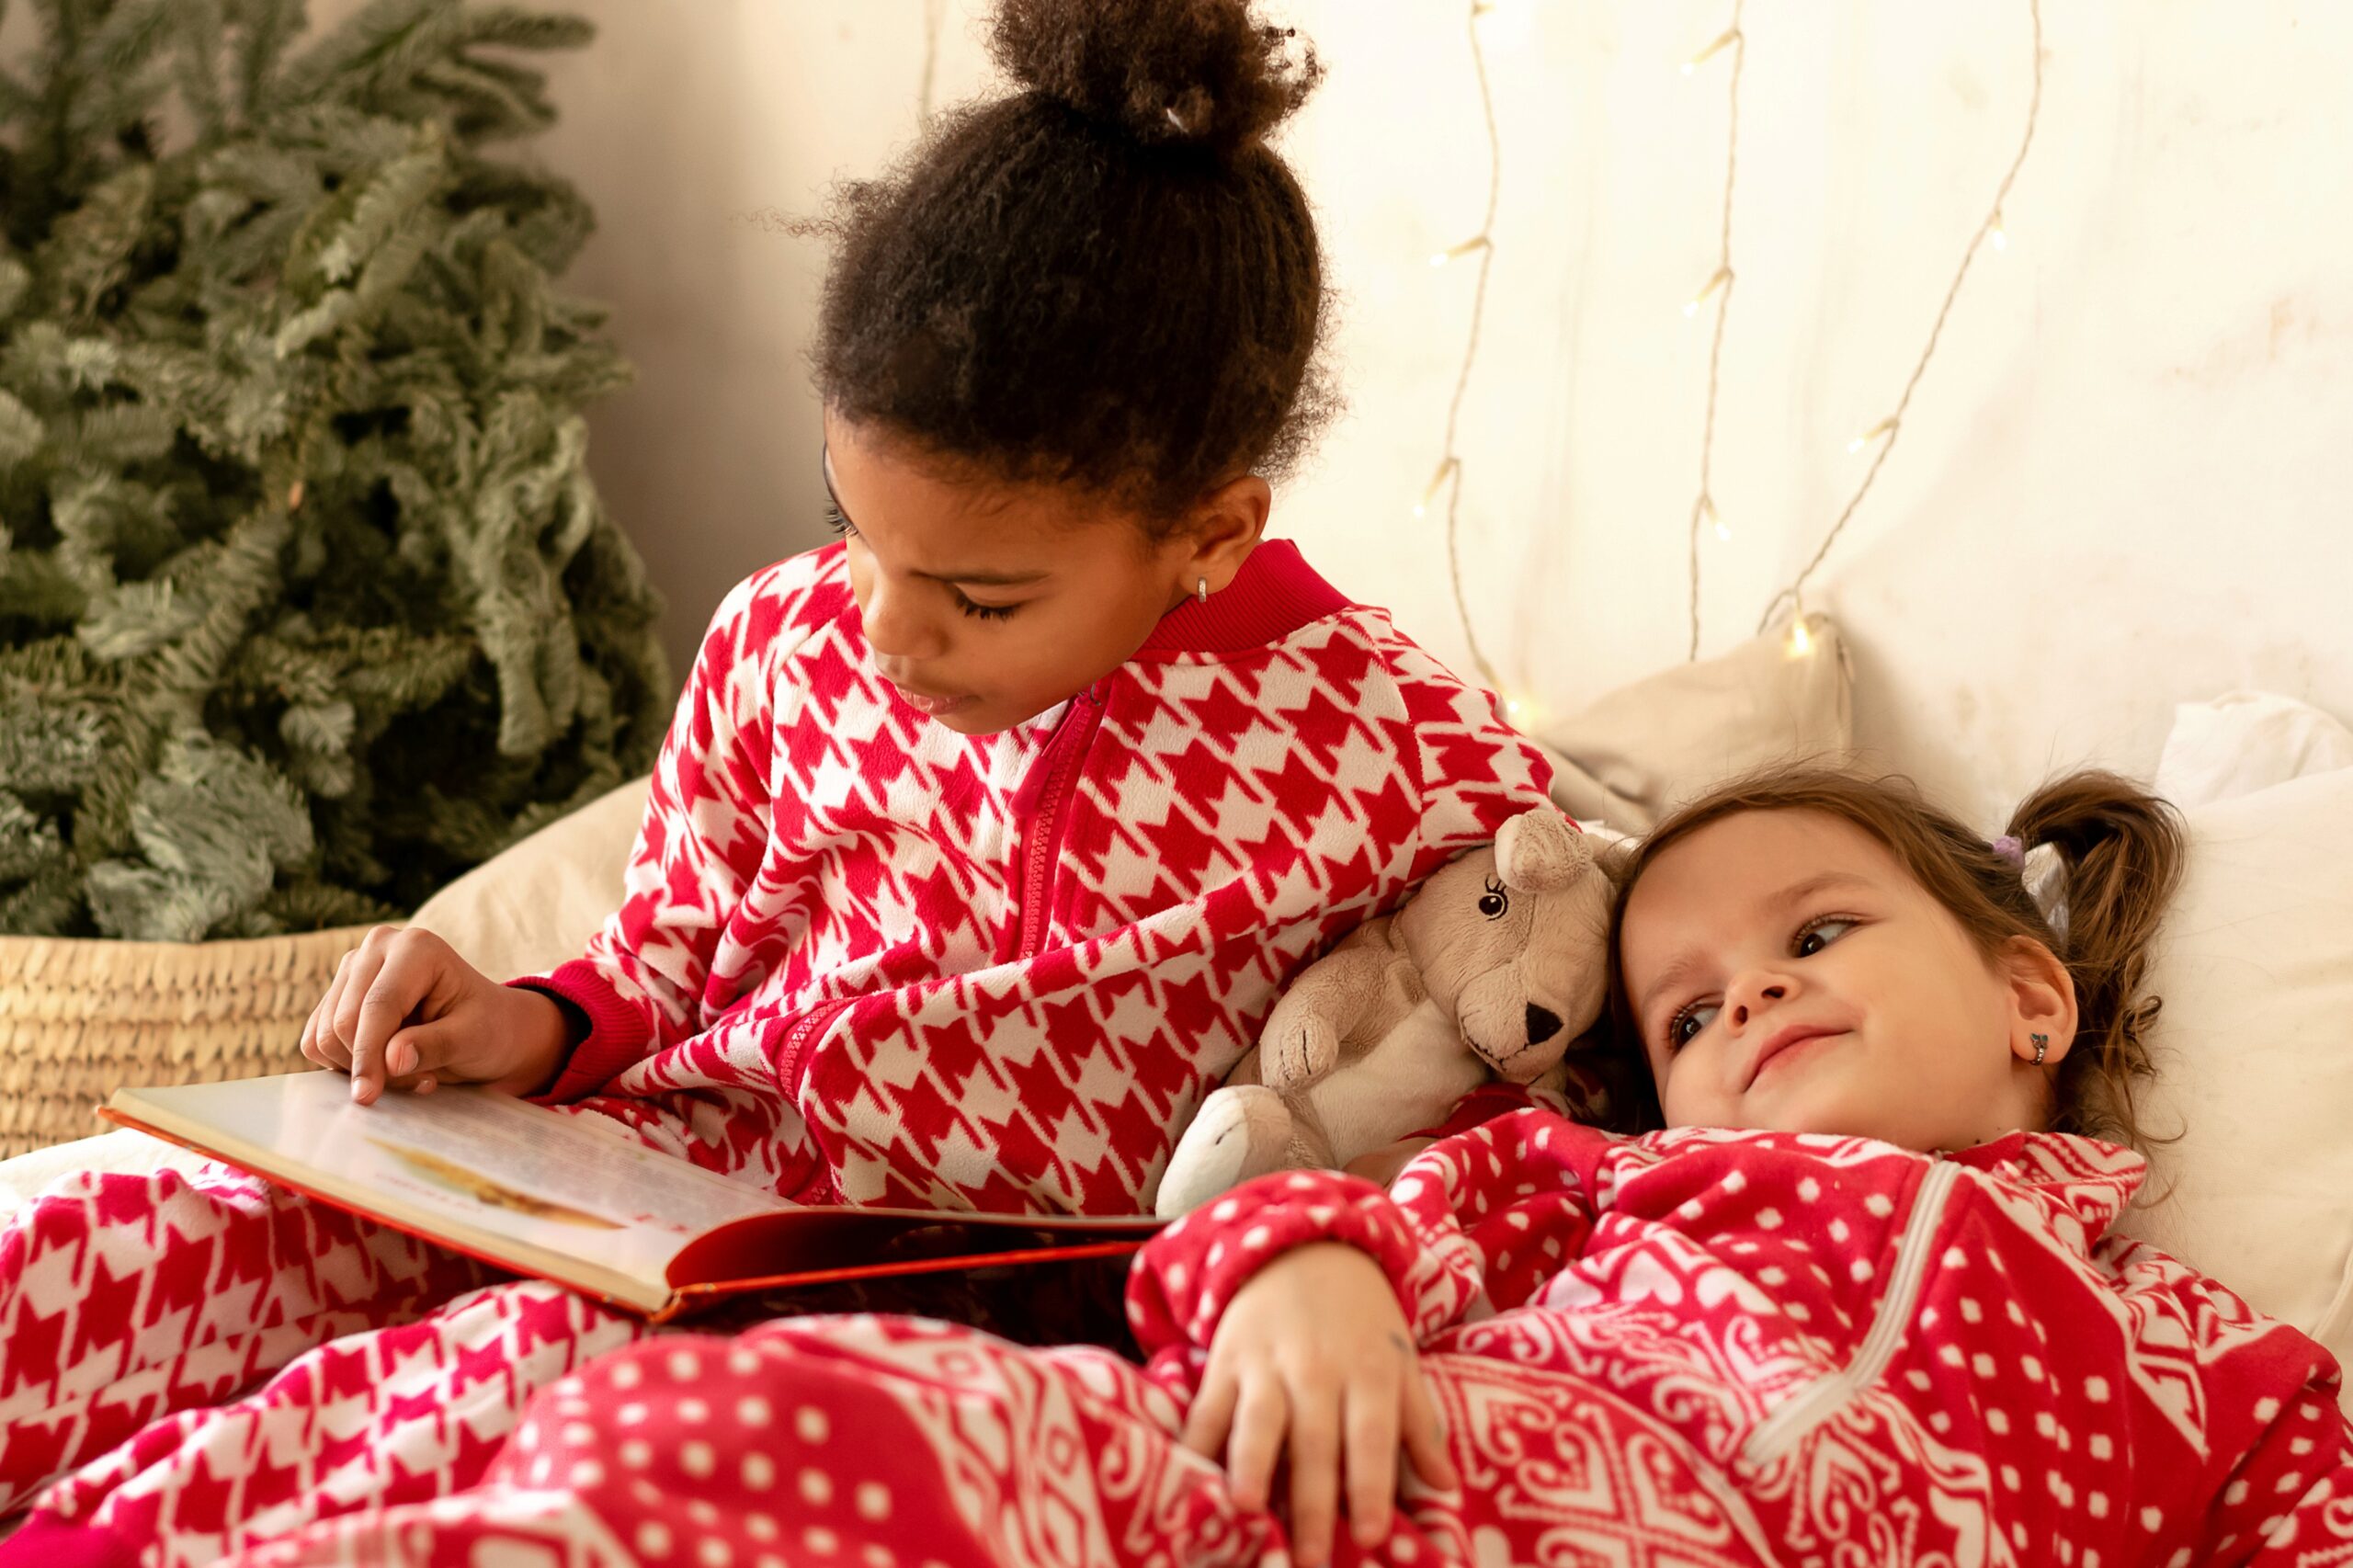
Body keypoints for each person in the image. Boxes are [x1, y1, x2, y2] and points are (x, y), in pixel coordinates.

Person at [0, 0, 1563, 1547]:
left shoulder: (1395, 753)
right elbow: (658, 963)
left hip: (876, 1294)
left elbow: (1515, 1075)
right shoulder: (780, 637)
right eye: (854, 528)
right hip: (629, 1166)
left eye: (980, 597)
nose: (884, 627)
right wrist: (512, 1020)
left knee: (398, 1440)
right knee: (103, 1230)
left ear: (1210, 536)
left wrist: (1323, 1254)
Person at [187, 765, 2353, 1566]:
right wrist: (1302, 1276)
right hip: (1353, 1469)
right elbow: (1356, 1216)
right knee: (756, 1408)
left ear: (2031, 1006)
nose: (1748, 1001)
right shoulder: (1595, 1186)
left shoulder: (2196, 1356)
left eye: (1810, 937)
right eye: (1686, 1013)